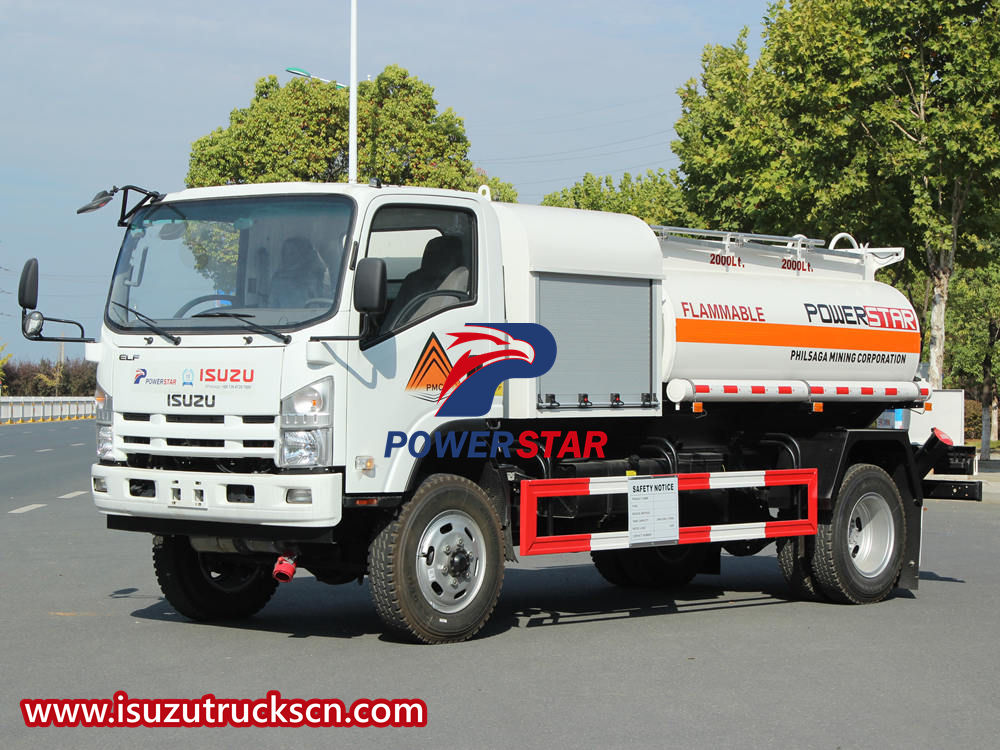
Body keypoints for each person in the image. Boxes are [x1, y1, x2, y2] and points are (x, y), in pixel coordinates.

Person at [270, 237, 326, 307]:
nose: (288, 256)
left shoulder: (312, 276)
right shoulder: (277, 279)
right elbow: (272, 306)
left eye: (292, 253)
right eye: (285, 253)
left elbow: (321, 302)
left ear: (301, 254)